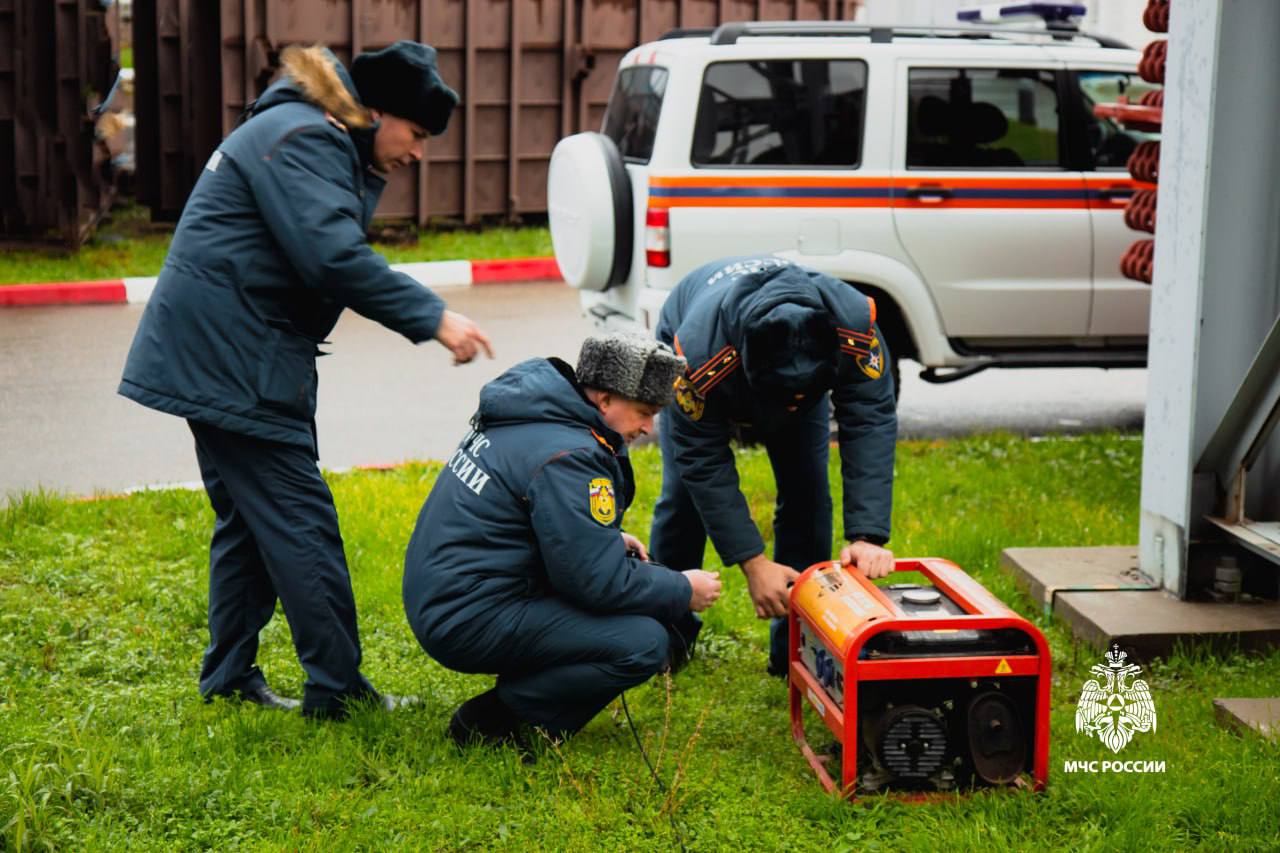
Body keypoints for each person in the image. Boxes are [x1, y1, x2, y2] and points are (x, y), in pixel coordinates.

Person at [118, 41, 493, 718]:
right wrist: (431, 316)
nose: (420, 153)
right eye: (417, 134)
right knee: (300, 522)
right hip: (235, 359)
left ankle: (229, 676)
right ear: (376, 112)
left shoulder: (306, 131)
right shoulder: (306, 138)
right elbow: (331, 256)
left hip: (226, 353)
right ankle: (338, 690)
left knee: (248, 521)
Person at [402, 334, 723, 748]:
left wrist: (602, 537)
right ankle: (498, 722)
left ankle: (525, 691)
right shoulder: (570, 454)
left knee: (633, 609)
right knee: (642, 642)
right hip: (466, 615)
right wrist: (683, 589)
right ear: (605, 400)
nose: (648, 428)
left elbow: (521, 516)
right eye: (644, 412)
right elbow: (598, 583)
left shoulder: (536, 416)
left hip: (448, 596)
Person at [650, 255, 898, 677]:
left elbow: (870, 420)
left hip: (791, 380)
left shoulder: (855, 327)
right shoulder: (697, 355)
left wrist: (867, 534)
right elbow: (701, 459)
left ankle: (796, 649)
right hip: (706, 344)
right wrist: (753, 561)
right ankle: (665, 639)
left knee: (808, 495)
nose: (788, 406)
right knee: (683, 501)